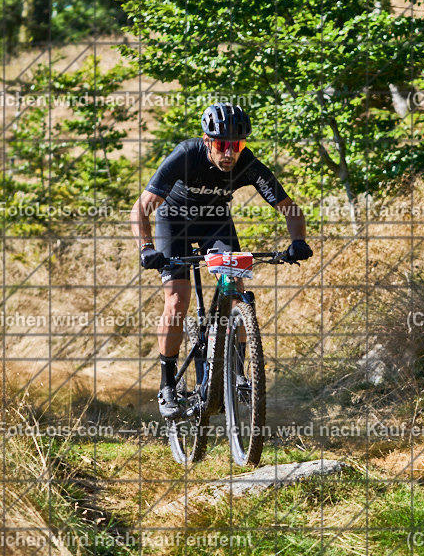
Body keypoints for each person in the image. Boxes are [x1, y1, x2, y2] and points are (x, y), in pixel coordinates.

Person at [130, 103, 312, 419]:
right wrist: (146, 248)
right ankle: (168, 386)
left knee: (236, 286)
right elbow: (141, 207)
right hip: (174, 223)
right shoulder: (185, 154)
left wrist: (298, 241)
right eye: (221, 145)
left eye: (236, 146)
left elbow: (290, 208)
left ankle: (238, 373)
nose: (229, 153)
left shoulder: (249, 164)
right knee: (176, 300)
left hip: (215, 222)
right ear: (206, 140)